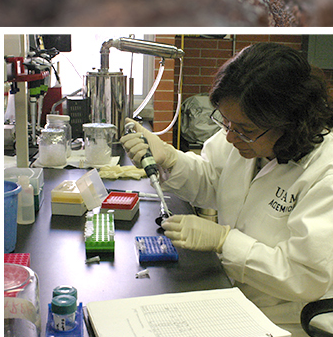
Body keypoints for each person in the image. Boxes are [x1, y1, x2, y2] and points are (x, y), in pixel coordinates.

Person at [123, 42, 333, 337]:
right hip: (229, 293)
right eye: (225, 122)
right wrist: (170, 158)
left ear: (291, 122)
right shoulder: (243, 137)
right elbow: (212, 180)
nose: (231, 136)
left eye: (244, 129)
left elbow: (306, 277)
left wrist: (225, 241)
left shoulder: (325, 173)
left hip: (282, 319)